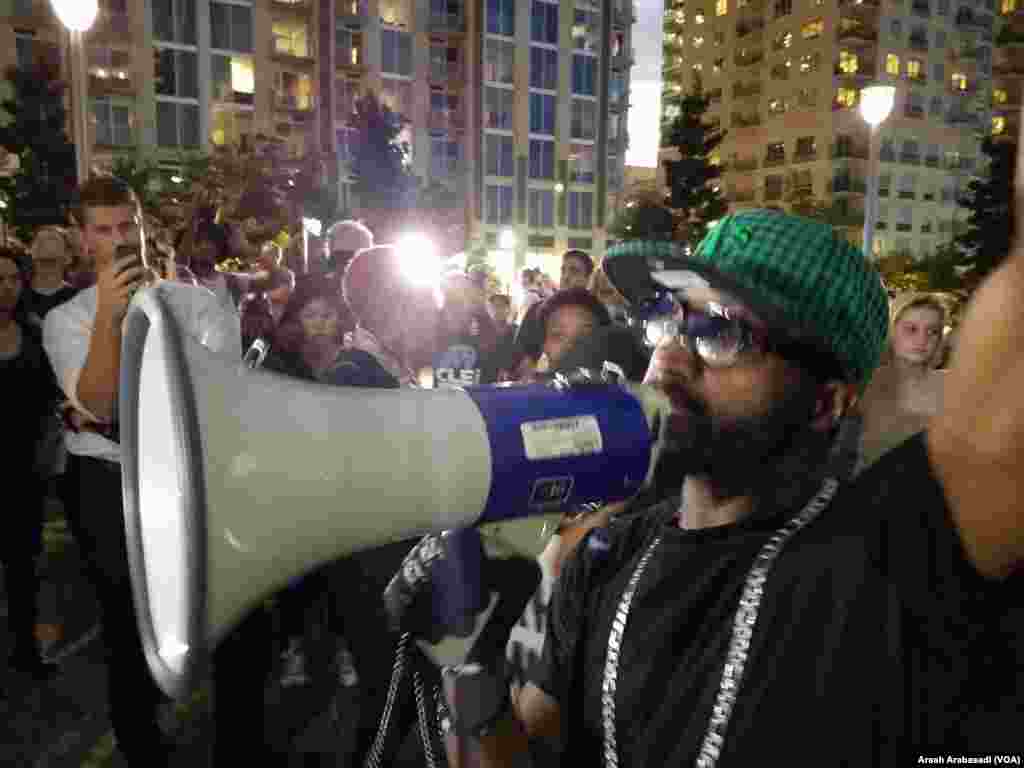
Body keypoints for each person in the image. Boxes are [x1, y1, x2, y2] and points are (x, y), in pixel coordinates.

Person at [391, 211, 1023, 765]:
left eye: (721, 332)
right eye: (667, 317)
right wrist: (469, 672)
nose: (668, 358)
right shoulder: (606, 557)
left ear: (826, 401)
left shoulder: (884, 566)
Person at [41, 176, 253, 765]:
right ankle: (143, 749)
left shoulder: (200, 305)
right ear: (83, 241)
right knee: (129, 623)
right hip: (107, 483)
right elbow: (100, 406)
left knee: (229, 612)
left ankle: (238, 745)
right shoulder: (66, 320)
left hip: (193, 475)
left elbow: (218, 403)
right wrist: (111, 313)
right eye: (102, 230)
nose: (118, 239)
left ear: (141, 227)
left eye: (126, 225)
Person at [0, 248, 61, 683]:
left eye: (10, 279)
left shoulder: (33, 334)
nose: (4, 286)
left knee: (23, 567)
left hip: (24, 470)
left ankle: (25, 650)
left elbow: (49, 400)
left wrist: (45, 452)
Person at [856, 292, 947, 474]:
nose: (922, 340)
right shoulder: (864, 382)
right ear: (891, 330)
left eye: (932, 331)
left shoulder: (953, 384)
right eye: (911, 329)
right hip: (869, 493)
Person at [181, 219, 293, 312]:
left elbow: (268, 280)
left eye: (211, 243)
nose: (204, 246)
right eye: (199, 242)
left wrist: (265, 257)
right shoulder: (180, 275)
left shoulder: (231, 282)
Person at [516, 251, 595, 373]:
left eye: (574, 271)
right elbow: (522, 358)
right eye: (563, 270)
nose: (566, 276)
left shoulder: (595, 313)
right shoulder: (536, 310)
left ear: (588, 279)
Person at [24, 226, 77, 327]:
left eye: (53, 240)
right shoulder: (16, 297)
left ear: (68, 257)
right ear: (31, 253)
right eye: (40, 242)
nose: (46, 245)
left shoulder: (79, 300)